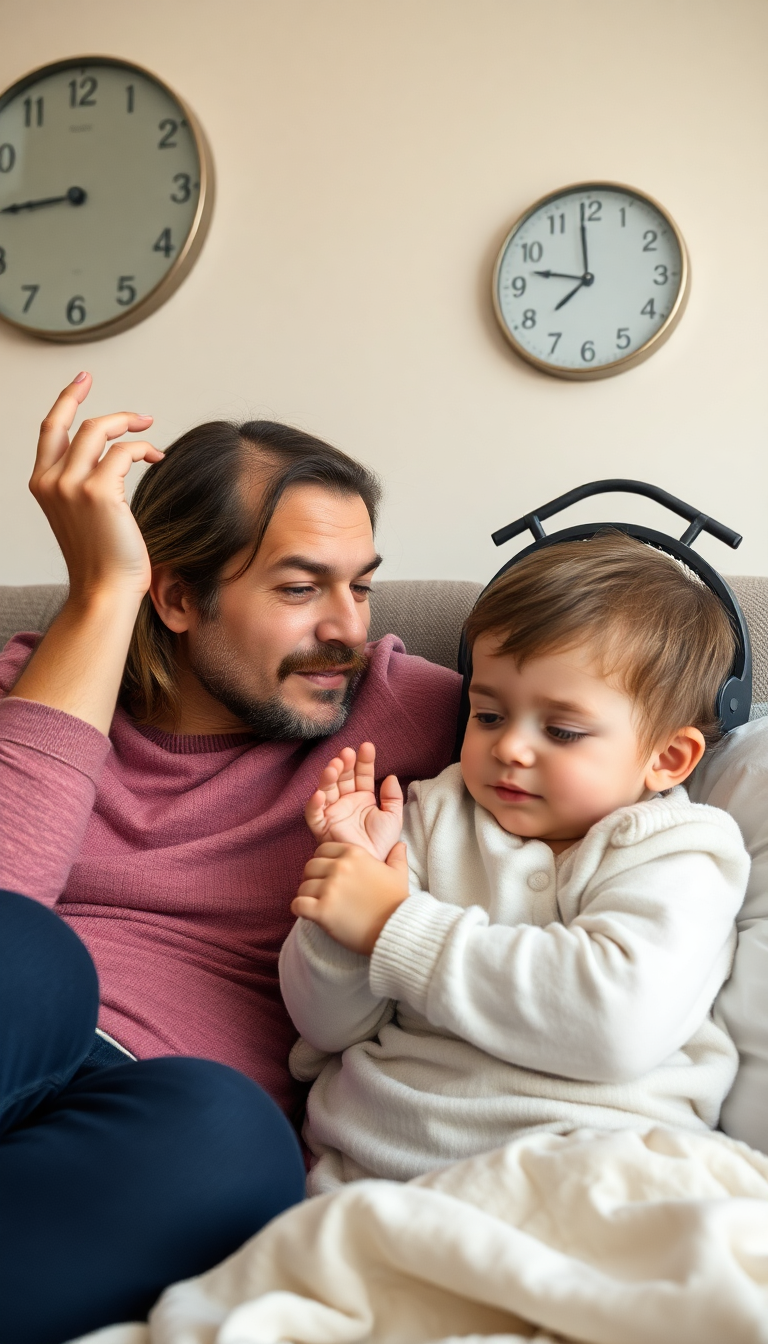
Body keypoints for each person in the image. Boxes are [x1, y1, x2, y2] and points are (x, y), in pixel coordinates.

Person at [0, 374, 460, 1341]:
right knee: (28, 954)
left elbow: (610, 704)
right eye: (299, 588)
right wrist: (103, 592)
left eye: (362, 583)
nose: (348, 628)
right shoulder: (40, 678)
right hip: (17, 1032)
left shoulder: (419, 711)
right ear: (175, 595)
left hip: (153, 1126)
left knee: (232, 1134)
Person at [279, 532, 751, 1192]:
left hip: (600, 1174)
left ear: (666, 759)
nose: (512, 750)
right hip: (389, 1171)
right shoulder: (428, 816)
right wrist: (347, 892)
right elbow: (324, 1024)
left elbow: (614, 1024)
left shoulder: (680, 851)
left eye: (560, 730)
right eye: (491, 714)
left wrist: (393, 925)